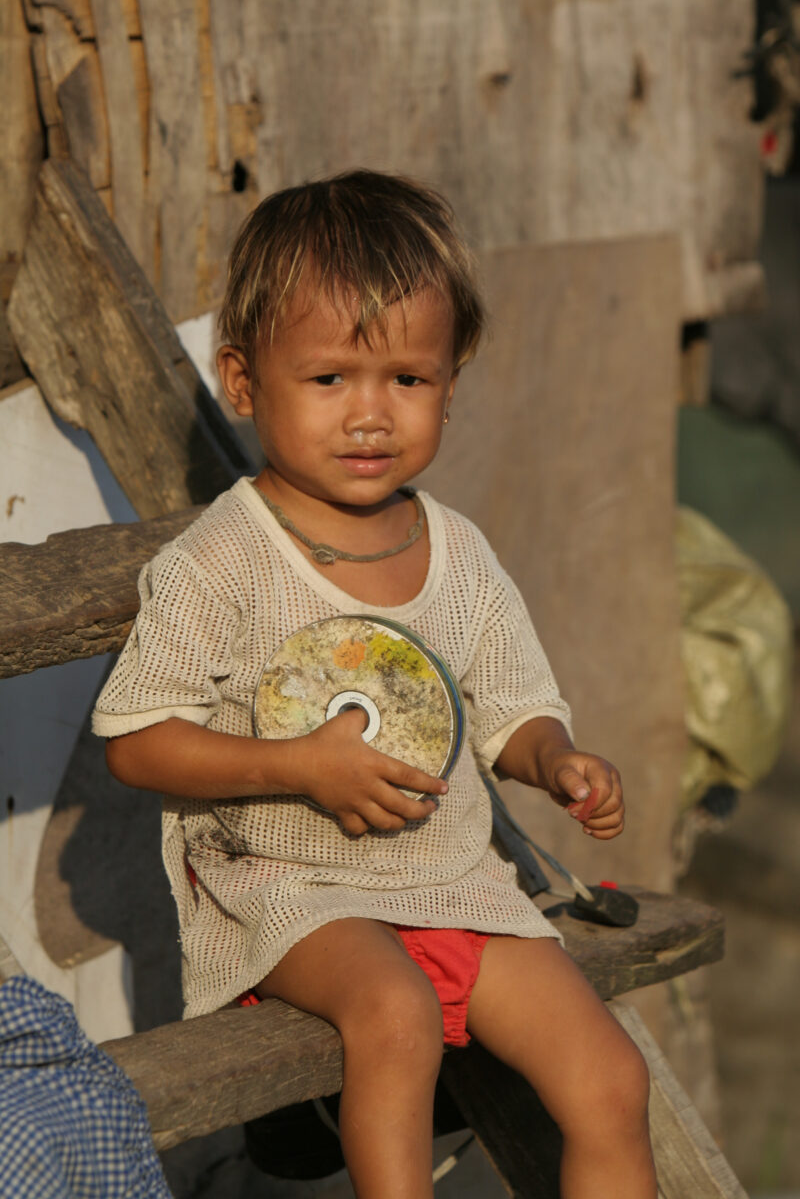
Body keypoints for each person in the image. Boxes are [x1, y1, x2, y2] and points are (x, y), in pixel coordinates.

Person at [93, 170, 656, 1198]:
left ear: (450, 384)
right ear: (242, 381)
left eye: (406, 379)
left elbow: (512, 708)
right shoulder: (222, 561)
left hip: (454, 885)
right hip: (289, 893)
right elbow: (137, 741)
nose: (369, 415)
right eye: (328, 379)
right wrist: (300, 767)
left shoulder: (459, 553)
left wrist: (558, 760)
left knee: (612, 1079)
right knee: (395, 1014)